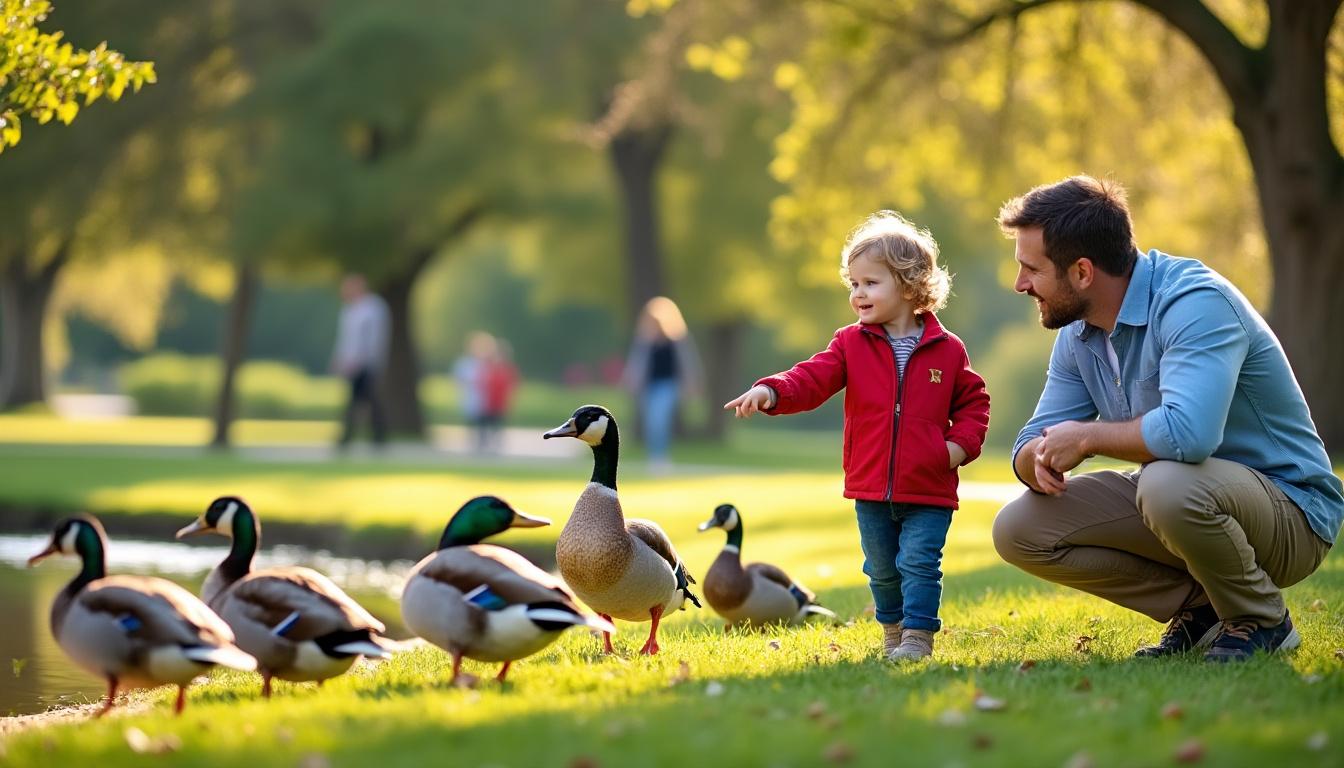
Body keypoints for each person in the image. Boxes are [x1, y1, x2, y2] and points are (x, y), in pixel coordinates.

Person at [991, 175, 1343, 662]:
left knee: (1166, 483)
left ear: (1083, 272)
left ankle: (1262, 619)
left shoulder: (1194, 303)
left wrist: (1088, 438)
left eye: (1032, 269)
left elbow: (1189, 436)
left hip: (1290, 514)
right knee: (1020, 529)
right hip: (1183, 502)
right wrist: (1039, 459)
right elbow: (1031, 441)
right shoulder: (1079, 334)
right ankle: (1203, 610)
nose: (1021, 284)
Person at [724, 211, 990, 661]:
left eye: (870, 283)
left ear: (909, 285)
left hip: (929, 484)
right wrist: (771, 389)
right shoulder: (850, 344)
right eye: (853, 284)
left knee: (920, 564)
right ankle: (893, 630)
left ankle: (918, 639)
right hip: (870, 484)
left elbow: (974, 403)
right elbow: (811, 378)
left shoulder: (949, 350)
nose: (857, 294)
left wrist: (955, 449)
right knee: (883, 569)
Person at [623, 296, 702, 472]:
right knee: (652, 422)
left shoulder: (676, 341)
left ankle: (661, 456)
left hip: (668, 385)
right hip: (649, 386)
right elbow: (636, 363)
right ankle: (655, 456)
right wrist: (631, 382)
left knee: (659, 420)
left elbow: (687, 364)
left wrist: (691, 384)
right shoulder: (645, 341)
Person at [330, 274, 390, 449]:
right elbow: (346, 339)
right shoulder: (349, 310)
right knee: (362, 399)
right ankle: (366, 436)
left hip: (366, 362)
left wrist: (363, 359)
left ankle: (353, 437)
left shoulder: (373, 308)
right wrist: (340, 358)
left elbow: (373, 338)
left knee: (364, 399)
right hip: (352, 362)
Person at [453, 331, 495, 450]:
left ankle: (484, 444)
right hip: (471, 399)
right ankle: (475, 444)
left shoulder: (489, 364)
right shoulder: (466, 363)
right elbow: (460, 380)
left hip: (486, 400)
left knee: (485, 424)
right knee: (473, 422)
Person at [479, 338, 519, 453]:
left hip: (500, 402)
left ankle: (495, 445)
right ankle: (484, 444)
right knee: (486, 424)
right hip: (489, 402)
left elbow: (512, 387)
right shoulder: (489, 368)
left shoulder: (508, 369)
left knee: (497, 424)